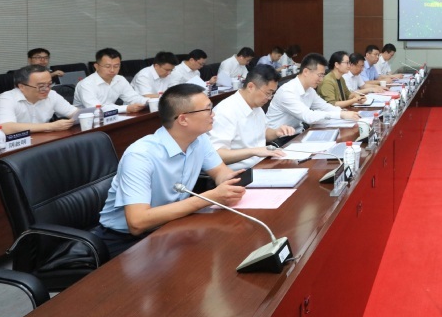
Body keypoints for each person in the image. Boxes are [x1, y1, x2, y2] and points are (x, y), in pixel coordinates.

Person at [94, 84, 246, 258]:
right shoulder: (140, 155)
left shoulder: (199, 140)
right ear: (183, 119)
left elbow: (220, 172)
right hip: (125, 240)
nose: (213, 114)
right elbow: (137, 222)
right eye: (207, 109)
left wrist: (229, 182)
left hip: (171, 225)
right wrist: (209, 198)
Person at [207, 65, 296, 170]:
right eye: (268, 93)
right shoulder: (226, 111)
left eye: (272, 94)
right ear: (250, 87)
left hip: (261, 165)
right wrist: (253, 151)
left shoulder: (256, 107)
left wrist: (276, 132)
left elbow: (262, 133)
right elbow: (217, 154)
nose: (269, 98)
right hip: (240, 172)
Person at [266, 52, 360, 129]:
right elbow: (308, 116)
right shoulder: (287, 91)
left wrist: (342, 112)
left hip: (296, 133)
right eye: (320, 75)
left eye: (323, 75)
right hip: (279, 140)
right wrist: (340, 115)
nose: (321, 80)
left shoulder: (310, 90)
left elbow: (324, 106)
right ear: (306, 72)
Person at [0, 65, 78, 134]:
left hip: (42, 140)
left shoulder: (52, 94)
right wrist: (50, 126)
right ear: (21, 87)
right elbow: (5, 127)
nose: (46, 89)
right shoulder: (6, 99)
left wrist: (81, 116)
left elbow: (75, 113)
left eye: (49, 84)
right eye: (41, 86)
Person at [73, 48, 147, 113]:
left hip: (111, 116)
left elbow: (133, 98)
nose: (112, 70)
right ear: (96, 66)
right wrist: (126, 108)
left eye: (116, 66)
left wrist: (148, 101)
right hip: (85, 121)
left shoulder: (120, 79)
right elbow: (96, 109)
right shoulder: (86, 84)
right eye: (107, 66)